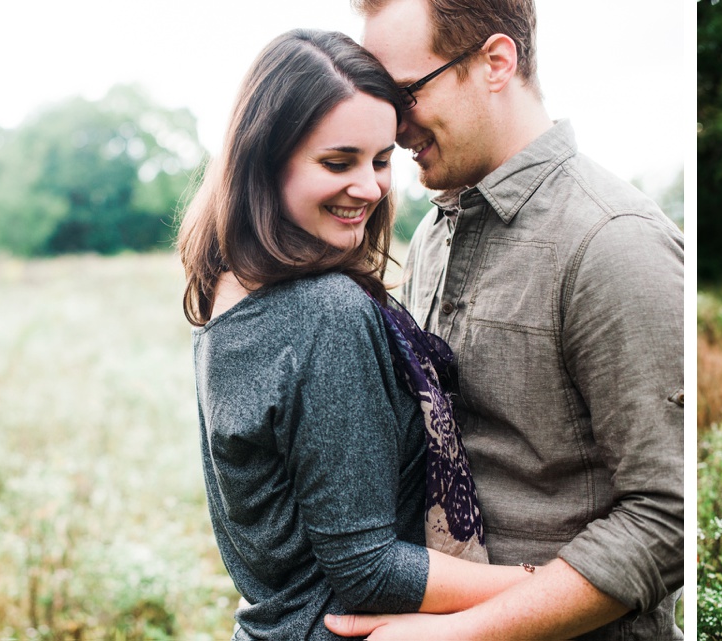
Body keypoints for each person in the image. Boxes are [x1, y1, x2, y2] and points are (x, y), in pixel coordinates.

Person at [325, 1, 685, 638]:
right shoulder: (433, 236)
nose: (388, 121)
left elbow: (668, 517)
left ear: (495, 63)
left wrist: (460, 635)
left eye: (402, 92)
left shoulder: (613, 241)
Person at [176, 29, 532, 640]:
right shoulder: (323, 311)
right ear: (265, 160)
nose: (369, 187)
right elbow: (369, 569)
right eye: (338, 162)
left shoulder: (227, 298)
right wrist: (541, 585)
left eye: (381, 159)